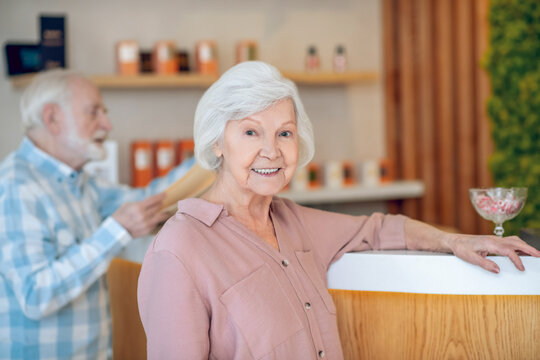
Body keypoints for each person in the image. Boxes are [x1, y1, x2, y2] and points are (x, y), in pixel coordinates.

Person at [137, 61, 540, 359]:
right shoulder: (179, 248)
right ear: (216, 144)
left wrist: (453, 240)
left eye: (285, 133)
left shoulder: (292, 221)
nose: (272, 151)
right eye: (250, 132)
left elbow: (380, 228)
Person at [0, 69, 194, 359]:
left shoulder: (80, 181)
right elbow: (35, 295)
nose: (107, 124)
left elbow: (148, 202)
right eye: (94, 113)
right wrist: (118, 230)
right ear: (52, 118)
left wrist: (209, 156)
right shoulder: (16, 185)